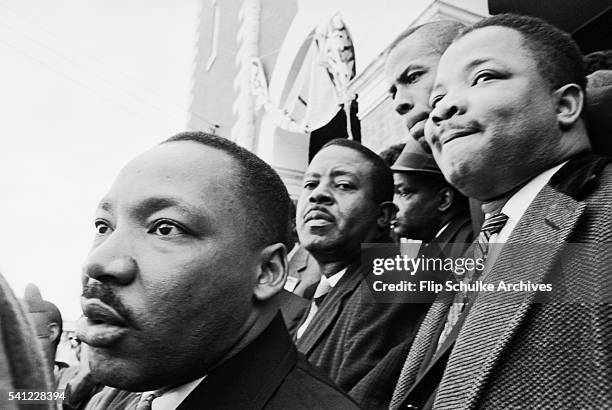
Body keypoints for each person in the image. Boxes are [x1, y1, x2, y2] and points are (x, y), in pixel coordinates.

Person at [397, 13, 612, 409]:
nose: (440, 113)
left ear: (564, 104)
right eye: (437, 100)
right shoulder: (483, 245)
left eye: (484, 78)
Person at [80, 131, 358, 409]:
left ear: (268, 271)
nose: (96, 261)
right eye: (104, 227)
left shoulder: (394, 271)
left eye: (165, 228)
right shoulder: (124, 393)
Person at [293, 138, 429, 407]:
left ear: (383, 216)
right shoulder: (310, 295)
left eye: (343, 185)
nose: (317, 195)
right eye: (310, 184)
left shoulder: (396, 276)